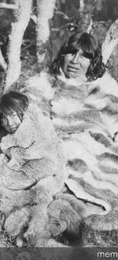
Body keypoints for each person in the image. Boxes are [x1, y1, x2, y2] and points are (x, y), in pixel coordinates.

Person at [22, 31, 118, 232]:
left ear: (92, 61)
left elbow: (113, 120)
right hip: (54, 142)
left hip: (94, 145)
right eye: (71, 53)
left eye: (84, 56)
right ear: (63, 55)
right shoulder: (46, 81)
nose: (75, 61)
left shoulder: (104, 86)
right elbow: (30, 113)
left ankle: (82, 202)